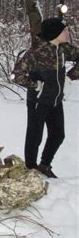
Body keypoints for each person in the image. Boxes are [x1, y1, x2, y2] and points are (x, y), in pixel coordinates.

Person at [11, 18, 78, 178]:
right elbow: (15, 75)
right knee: (35, 136)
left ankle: (44, 165)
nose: (67, 33)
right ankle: (31, 169)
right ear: (55, 34)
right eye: (64, 31)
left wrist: (70, 76)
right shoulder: (35, 52)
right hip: (38, 102)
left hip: (55, 101)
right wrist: (36, 86)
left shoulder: (62, 49)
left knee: (58, 135)